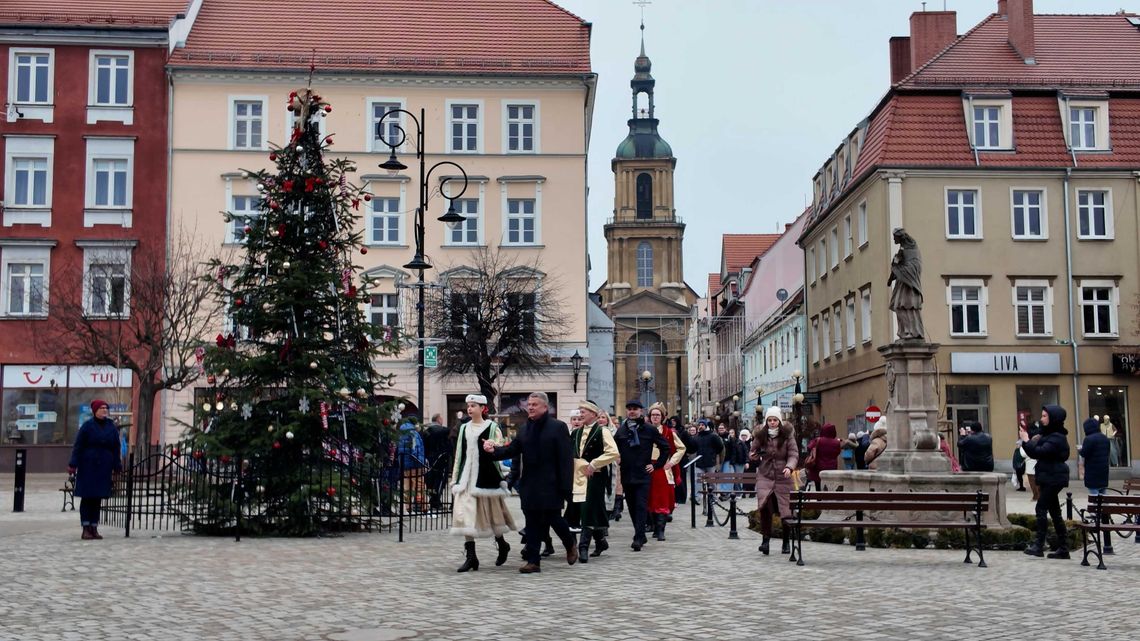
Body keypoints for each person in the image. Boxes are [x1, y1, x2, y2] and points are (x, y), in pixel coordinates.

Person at [484, 392, 576, 573]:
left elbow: (566, 460)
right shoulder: (525, 428)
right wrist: (493, 451)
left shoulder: (558, 427)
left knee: (554, 519)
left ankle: (569, 543)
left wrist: (566, 487)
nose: (530, 407)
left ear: (545, 407)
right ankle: (533, 561)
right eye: (529, 404)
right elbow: (512, 449)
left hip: (551, 484)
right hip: (529, 483)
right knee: (532, 522)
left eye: (535, 404)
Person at [450, 395, 516, 572]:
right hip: (466, 477)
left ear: (482, 408)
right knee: (464, 514)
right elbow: (459, 454)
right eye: (468, 406)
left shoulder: (492, 426)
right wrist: (455, 479)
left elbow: (500, 446)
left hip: (486, 477)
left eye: (473, 405)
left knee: (493, 514)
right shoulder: (464, 428)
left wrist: (493, 444)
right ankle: (471, 556)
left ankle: (502, 544)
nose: (469, 409)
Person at [613, 399, 669, 551]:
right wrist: (617, 457)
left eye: (635, 409)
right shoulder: (622, 430)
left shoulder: (649, 429)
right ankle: (641, 534)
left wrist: (656, 465)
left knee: (641, 505)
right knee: (631, 506)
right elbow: (613, 448)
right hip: (627, 474)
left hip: (643, 474)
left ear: (641, 411)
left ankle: (638, 537)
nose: (632, 411)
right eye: (629, 409)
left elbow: (665, 447)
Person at [568, 401, 619, 561]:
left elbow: (613, 452)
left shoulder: (603, 431)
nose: (581, 414)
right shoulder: (575, 433)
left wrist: (594, 464)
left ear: (593, 414)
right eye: (580, 411)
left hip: (594, 476)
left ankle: (583, 547)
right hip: (577, 477)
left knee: (588, 508)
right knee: (579, 508)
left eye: (584, 411)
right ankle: (600, 541)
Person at [1020, 405, 1071, 560]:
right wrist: (1030, 440)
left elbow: (1038, 452)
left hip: (1054, 477)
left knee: (1041, 507)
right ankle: (1063, 548)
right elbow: (1035, 450)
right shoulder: (1048, 435)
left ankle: (1039, 545)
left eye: (1044, 416)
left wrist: (1026, 440)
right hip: (1049, 476)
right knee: (1055, 512)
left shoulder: (1056, 437)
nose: (1041, 419)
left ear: (1053, 418)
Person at [68, 399, 123, 540]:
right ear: (95, 411)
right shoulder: (87, 426)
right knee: (88, 497)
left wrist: (117, 465)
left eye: (106, 408)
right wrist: (73, 464)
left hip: (104, 466)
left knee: (97, 498)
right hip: (88, 466)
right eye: (101, 408)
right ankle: (85, 527)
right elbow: (78, 446)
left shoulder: (111, 427)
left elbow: (116, 447)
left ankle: (94, 527)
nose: (104, 410)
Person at [750, 406, 799, 555]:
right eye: (770, 420)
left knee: (786, 510)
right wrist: (753, 456)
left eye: (775, 420)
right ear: (766, 421)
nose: (772, 422)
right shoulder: (761, 435)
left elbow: (793, 454)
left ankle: (786, 541)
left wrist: (789, 467)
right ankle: (765, 541)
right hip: (765, 475)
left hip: (783, 477)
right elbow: (752, 451)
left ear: (779, 421)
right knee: (765, 507)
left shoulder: (787, 435)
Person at [646, 403, 686, 542]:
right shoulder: (644, 431)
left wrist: (671, 462)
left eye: (658, 415)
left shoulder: (669, 432)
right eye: (653, 415)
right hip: (647, 468)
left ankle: (661, 530)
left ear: (662, 417)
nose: (655, 417)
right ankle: (653, 527)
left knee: (662, 499)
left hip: (662, 469)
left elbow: (681, 448)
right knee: (649, 499)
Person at [397, 417, 426, 511]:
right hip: (415, 464)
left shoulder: (401, 434)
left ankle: (408, 506)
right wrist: (420, 461)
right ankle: (421, 505)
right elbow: (415, 448)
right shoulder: (413, 433)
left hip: (404, 464)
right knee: (419, 485)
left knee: (407, 485)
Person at [423, 413, 452, 510]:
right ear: (438, 419)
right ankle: (436, 502)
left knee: (430, 481)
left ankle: (432, 499)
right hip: (441, 459)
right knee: (439, 481)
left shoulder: (426, 431)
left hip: (429, 459)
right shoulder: (444, 431)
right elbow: (448, 446)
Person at [1079, 417, 1110, 497]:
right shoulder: (1105, 438)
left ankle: (1097, 505)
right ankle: (1104, 505)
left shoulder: (1088, 439)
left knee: (1094, 496)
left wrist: (1080, 450)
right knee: (1103, 495)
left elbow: (1084, 453)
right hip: (1104, 471)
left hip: (1092, 472)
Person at [693, 419, 724, 501]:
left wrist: (713, 454)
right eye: (699, 425)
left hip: (710, 462)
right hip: (699, 462)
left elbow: (720, 446)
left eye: (702, 425)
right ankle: (697, 497)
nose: (701, 426)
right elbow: (693, 447)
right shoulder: (697, 437)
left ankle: (713, 497)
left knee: (711, 481)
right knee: (698, 480)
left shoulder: (713, 436)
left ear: (706, 426)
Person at [805, 423, 842, 491]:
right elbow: (838, 452)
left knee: (818, 488)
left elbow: (809, 447)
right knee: (830, 488)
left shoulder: (818, 440)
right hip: (831, 469)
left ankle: (819, 497)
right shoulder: (837, 442)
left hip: (818, 469)